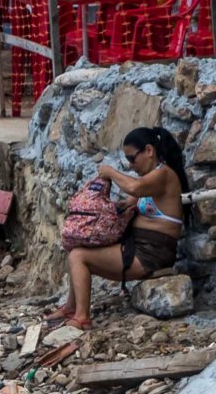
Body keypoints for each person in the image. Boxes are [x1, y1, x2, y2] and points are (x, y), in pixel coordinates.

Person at [49, 125, 189, 331]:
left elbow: (134, 188)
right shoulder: (151, 178)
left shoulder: (164, 175)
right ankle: (71, 307)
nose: (131, 165)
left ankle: (82, 317)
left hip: (151, 253)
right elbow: (130, 201)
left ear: (149, 151)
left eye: (132, 158)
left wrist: (110, 172)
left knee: (79, 257)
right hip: (138, 246)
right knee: (76, 247)